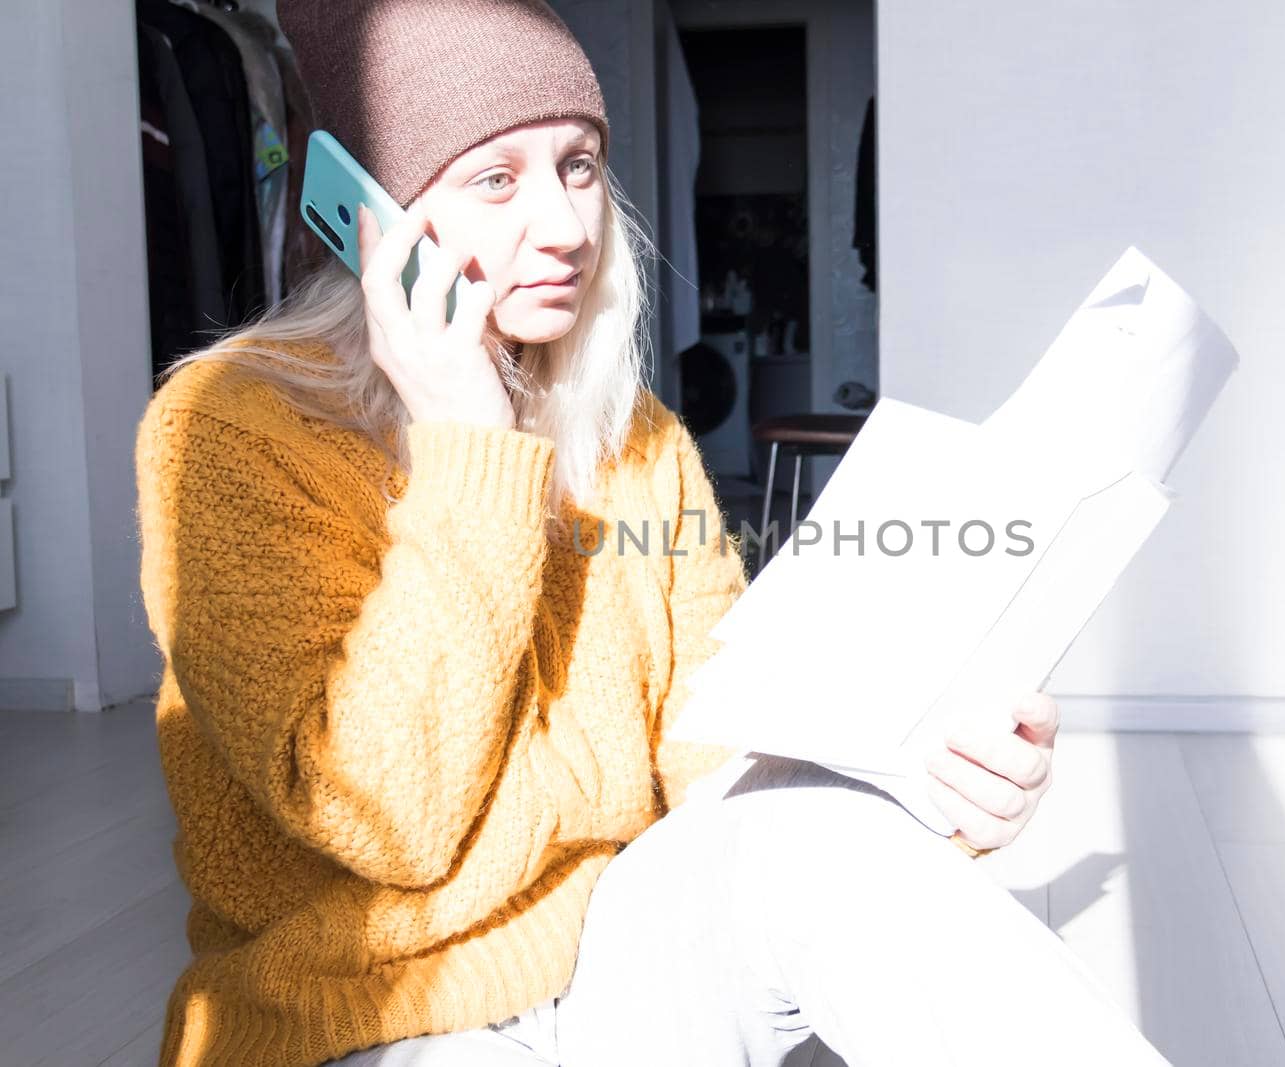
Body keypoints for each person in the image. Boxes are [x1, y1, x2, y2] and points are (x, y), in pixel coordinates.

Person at [131, 2, 1174, 1065]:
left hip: (611, 964)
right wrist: (467, 445)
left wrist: (920, 790)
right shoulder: (229, 428)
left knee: (827, 839)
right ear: (370, 219)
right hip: (365, 1009)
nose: (565, 226)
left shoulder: (635, 438)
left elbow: (718, 767)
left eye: (578, 164)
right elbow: (391, 820)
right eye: (496, 179)